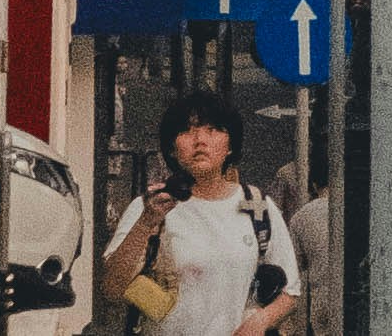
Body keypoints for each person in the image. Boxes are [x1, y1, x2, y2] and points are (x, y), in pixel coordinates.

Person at [103, 105, 303, 336]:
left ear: (230, 146)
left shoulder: (258, 206)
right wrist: (146, 223)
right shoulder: (149, 208)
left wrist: (261, 321)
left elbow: (290, 291)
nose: (200, 140)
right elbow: (112, 289)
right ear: (172, 149)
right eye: (187, 131)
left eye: (213, 130)